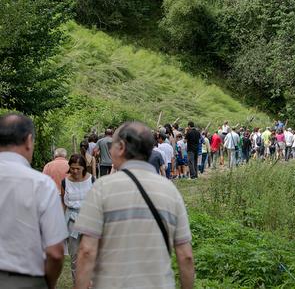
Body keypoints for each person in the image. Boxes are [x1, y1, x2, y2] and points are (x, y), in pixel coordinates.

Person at [74, 121, 194, 289]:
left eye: (112, 145)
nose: (110, 150)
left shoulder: (102, 188)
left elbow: (87, 251)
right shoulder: (170, 191)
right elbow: (186, 256)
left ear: (121, 147)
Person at [0, 113, 67, 289]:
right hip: (25, 280)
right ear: (29, 140)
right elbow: (55, 252)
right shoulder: (40, 184)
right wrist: (49, 283)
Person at [62, 154, 95, 285]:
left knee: (89, 253)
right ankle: (78, 283)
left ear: (84, 168)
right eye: (72, 168)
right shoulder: (65, 182)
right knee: (75, 255)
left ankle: (90, 282)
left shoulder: (92, 180)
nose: (75, 171)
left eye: (78, 168)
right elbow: (63, 203)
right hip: (72, 221)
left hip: (89, 219)